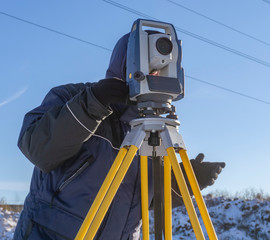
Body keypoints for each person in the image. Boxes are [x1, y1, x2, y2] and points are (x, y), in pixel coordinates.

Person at [13, 32, 226, 240]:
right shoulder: (75, 97)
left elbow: (145, 197)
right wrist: (93, 103)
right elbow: (37, 148)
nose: (156, 73)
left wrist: (187, 181)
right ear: (127, 60)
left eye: (163, 66)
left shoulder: (155, 127)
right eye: (150, 64)